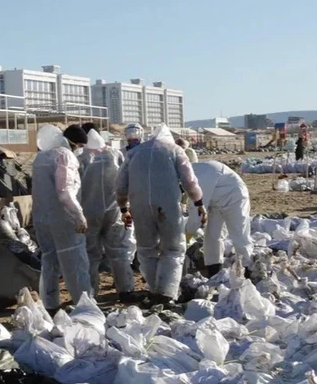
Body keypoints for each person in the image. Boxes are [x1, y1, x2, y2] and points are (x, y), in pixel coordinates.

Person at [116, 125, 205, 306]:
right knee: (172, 249)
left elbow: (120, 185)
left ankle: (155, 289)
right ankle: (166, 293)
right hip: (168, 206)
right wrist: (198, 203)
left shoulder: (134, 154)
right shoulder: (174, 150)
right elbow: (189, 181)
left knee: (146, 249)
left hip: (139, 207)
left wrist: (123, 208)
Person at [31, 124, 93, 312]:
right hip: (64, 220)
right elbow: (64, 192)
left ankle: (50, 305)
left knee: (49, 262)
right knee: (76, 262)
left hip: (42, 218)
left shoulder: (41, 157)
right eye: (80, 145)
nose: (79, 149)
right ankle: (85, 306)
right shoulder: (65, 156)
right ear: (74, 143)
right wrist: (79, 215)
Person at [80, 129, 134, 300]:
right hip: (115, 210)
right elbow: (126, 179)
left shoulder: (81, 157)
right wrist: (127, 207)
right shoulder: (114, 153)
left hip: (88, 213)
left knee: (90, 254)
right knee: (118, 252)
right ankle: (125, 290)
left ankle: (90, 293)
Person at [184, 161, 253, 277]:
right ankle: (214, 272)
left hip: (235, 198)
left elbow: (196, 216)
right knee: (212, 237)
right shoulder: (192, 173)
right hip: (216, 202)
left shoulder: (198, 177)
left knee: (239, 235)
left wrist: (184, 238)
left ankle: (247, 270)